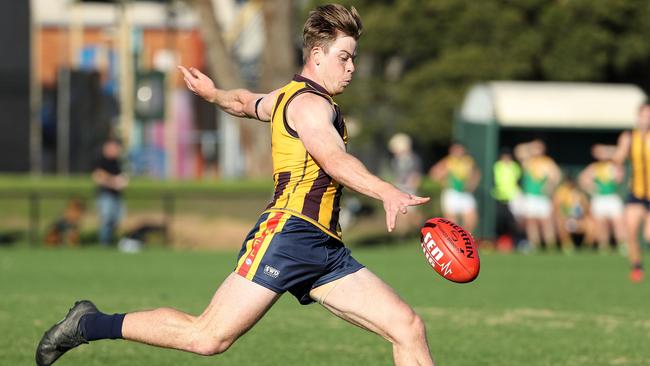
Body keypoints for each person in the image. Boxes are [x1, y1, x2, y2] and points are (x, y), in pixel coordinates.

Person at [35, 5, 435, 366]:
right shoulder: (311, 106)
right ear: (317, 55)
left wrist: (213, 94)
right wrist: (385, 190)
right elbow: (334, 160)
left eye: (354, 59)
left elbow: (246, 102)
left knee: (408, 327)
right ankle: (89, 324)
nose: (351, 68)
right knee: (207, 336)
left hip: (324, 247)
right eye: (344, 58)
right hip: (289, 234)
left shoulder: (286, 96)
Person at [613, 102, 650, 282]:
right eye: (644, 115)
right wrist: (618, 168)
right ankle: (636, 267)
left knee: (648, 235)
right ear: (638, 116)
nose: (646, 119)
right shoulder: (628, 137)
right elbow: (618, 158)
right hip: (635, 192)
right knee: (631, 232)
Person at [514, 140, 561, 251]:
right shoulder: (528, 161)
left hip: (542, 197)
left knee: (546, 221)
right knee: (531, 221)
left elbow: (556, 176)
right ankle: (534, 243)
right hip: (530, 196)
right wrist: (530, 145)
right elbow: (518, 151)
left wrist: (550, 185)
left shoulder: (547, 162)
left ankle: (550, 244)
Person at [578, 145, 626, 253]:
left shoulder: (614, 166)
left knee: (618, 222)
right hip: (599, 198)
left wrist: (610, 153)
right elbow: (583, 179)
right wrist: (591, 188)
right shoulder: (594, 167)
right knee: (601, 223)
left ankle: (622, 245)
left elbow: (620, 177)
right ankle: (603, 246)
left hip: (612, 197)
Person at [428, 143, 481, 233]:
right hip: (451, 193)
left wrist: (472, 185)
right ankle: (454, 244)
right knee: (452, 223)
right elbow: (434, 174)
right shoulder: (447, 162)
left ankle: (465, 241)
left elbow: (477, 174)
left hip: (465, 193)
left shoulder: (468, 161)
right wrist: (443, 175)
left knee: (472, 220)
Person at [92, 139, 128, 246]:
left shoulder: (118, 162)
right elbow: (98, 177)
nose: (116, 150)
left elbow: (123, 178)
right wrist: (113, 181)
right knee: (106, 219)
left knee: (116, 219)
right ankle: (104, 243)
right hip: (106, 196)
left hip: (117, 196)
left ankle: (111, 240)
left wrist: (121, 182)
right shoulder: (101, 161)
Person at [388, 133, 423, 234]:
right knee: (400, 212)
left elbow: (417, 174)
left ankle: (419, 231)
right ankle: (402, 235)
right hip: (400, 187)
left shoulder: (413, 158)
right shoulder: (395, 160)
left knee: (412, 214)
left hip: (410, 188)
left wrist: (415, 183)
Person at [491, 147, 522, 251]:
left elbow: (518, 180)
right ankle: (498, 242)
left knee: (513, 222)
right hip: (499, 197)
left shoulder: (515, 167)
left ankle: (513, 242)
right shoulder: (497, 166)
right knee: (499, 221)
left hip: (512, 199)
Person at [552, 176, 594, 252]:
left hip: (578, 219)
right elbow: (556, 209)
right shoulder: (560, 193)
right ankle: (567, 246)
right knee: (561, 223)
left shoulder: (579, 194)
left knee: (591, 225)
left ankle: (586, 247)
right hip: (566, 220)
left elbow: (586, 208)